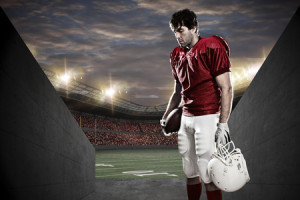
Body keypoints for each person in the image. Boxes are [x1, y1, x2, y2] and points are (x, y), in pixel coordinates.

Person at [160, 9, 233, 200]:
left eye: (181, 30)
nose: (177, 36)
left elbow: (226, 88)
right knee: (190, 171)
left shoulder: (212, 45)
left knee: (208, 173)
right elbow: (177, 91)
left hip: (207, 116)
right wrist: (166, 115)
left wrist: (223, 123)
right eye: (175, 32)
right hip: (186, 117)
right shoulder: (176, 55)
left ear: (194, 27)